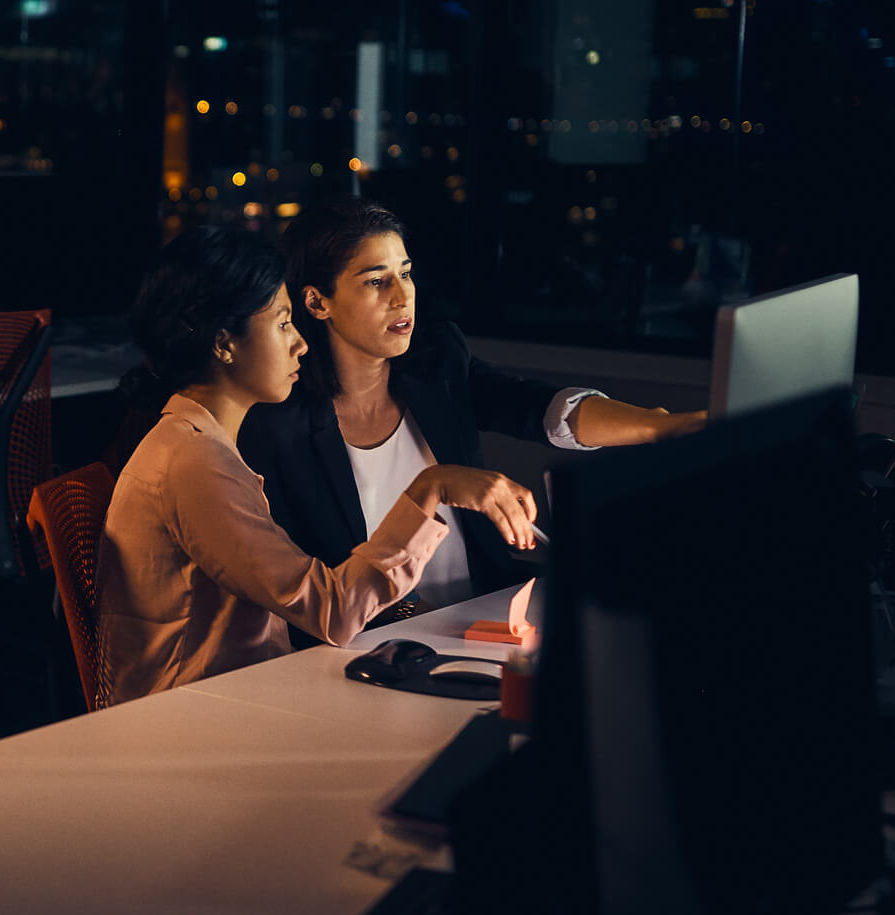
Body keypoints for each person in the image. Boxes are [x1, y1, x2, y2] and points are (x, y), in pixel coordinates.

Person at [97, 227, 537, 704]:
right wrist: (431, 488)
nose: (301, 345)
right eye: (283, 323)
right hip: (198, 718)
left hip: (244, 699)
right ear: (224, 343)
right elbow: (331, 612)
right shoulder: (194, 462)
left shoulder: (203, 443)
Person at [239, 199, 704, 620]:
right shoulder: (278, 421)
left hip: (483, 613)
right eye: (376, 281)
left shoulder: (437, 361)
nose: (402, 296)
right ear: (317, 302)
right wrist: (413, 616)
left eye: (406, 272)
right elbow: (310, 578)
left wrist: (658, 427)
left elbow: (535, 406)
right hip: (369, 643)